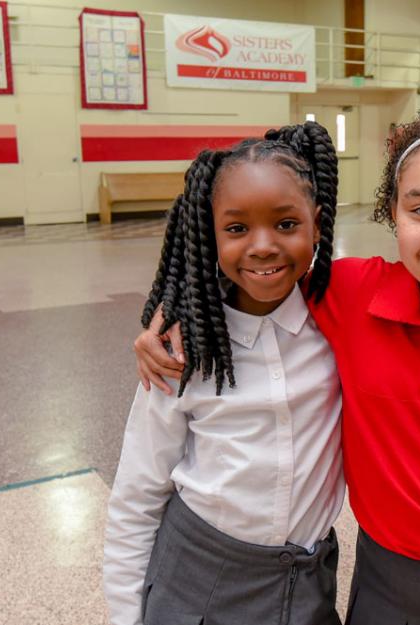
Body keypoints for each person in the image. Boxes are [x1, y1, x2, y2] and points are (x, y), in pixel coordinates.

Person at [137, 101, 420, 625]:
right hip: (384, 586)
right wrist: (170, 314)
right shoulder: (353, 294)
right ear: (392, 217)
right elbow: (259, 268)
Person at [103, 122, 345, 625]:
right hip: (199, 585)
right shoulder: (184, 348)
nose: (262, 246)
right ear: (208, 234)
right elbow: (137, 495)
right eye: (236, 229)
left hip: (308, 584)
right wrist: (125, 616)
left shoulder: (343, 324)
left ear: (316, 225)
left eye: (285, 224)